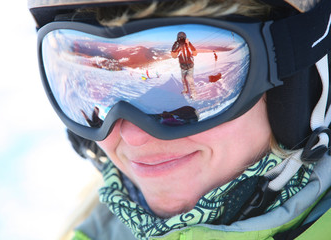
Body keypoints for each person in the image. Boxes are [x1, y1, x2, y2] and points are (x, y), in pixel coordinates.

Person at [28, 0, 331, 239]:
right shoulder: (89, 231)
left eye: (199, 97)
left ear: (296, 85)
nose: (134, 136)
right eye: (96, 85)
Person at [171, 32, 198, 99]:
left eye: (183, 37)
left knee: (189, 78)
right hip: (183, 66)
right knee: (183, 79)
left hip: (190, 65)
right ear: (178, 38)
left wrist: (189, 44)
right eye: (180, 37)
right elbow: (174, 56)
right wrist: (176, 48)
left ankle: (194, 94)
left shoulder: (188, 43)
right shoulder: (176, 44)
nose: (181, 39)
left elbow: (195, 53)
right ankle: (186, 90)